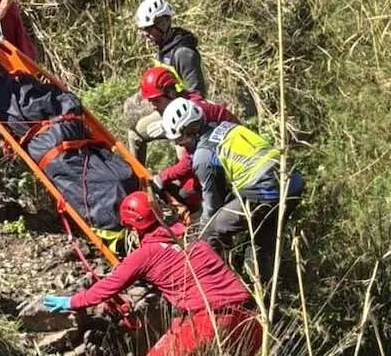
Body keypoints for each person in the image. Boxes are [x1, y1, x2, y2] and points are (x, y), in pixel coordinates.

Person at [43, 191, 261, 356]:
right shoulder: (194, 240)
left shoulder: (146, 253)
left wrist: (72, 301)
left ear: (133, 226)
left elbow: (108, 286)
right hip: (249, 316)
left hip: (209, 318)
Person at [160, 98, 304, 286]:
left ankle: (213, 287)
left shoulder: (203, 156)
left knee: (210, 232)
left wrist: (196, 239)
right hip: (291, 182)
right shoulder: (226, 127)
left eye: (180, 140)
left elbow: (212, 208)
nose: (180, 146)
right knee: (261, 245)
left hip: (266, 189)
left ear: (190, 131)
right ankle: (262, 294)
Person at [140, 66, 238, 214]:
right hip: (215, 148)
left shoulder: (192, 115)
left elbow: (189, 162)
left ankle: (207, 216)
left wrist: (161, 177)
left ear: (171, 93)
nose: (153, 107)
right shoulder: (185, 105)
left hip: (228, 154)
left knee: (188, 193)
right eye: (151, 101)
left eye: (156, 101)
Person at [127, 0, 207, 165]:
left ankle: (189, 186)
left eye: (148, 29)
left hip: (184, 118)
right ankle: (138, 179)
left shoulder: (184, 54)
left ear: (162, 24)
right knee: (135, 135)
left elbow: (198, 96)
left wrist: (169, 123)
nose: (145, 35)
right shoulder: (164, 48)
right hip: (165, 108)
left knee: (183, 156)